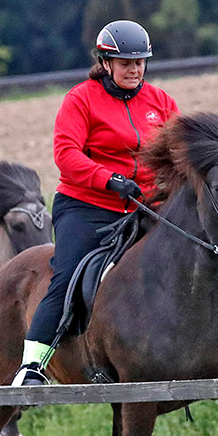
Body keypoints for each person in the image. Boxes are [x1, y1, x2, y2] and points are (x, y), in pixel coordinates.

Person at [11, 20, 180, 387]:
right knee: (68, 274)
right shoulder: (80, 99)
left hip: (144, 206)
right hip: (86, 205)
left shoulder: (161, 102)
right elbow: (66, 154)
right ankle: (33, 364)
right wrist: (110, 179)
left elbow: (177, 154)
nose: (135, 70)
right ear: (105, 63)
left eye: (140, 62)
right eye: (125, 63)